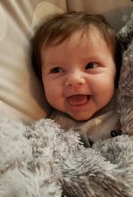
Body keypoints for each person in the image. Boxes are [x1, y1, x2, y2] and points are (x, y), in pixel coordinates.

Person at [32, 11, 122, 147]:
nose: (74, 79)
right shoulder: (53, 130)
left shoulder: (129, 104)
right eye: (57, 70)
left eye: (90, 66)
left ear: (117, 69)